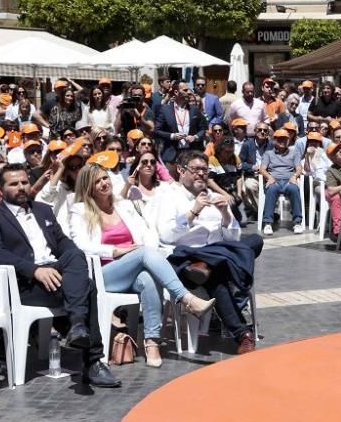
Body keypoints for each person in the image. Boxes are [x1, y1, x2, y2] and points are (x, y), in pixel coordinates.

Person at [0, 163, 121, 387]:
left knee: (74, 255)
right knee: (88, 287)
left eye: (24, 182)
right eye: (14, 184)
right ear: (0, 189)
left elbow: (63, 243)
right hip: (23, 282)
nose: (21, 187)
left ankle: (79, 327)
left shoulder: (42, 210)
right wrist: (34, 270)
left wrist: (69, 256)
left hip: (57, 273)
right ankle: (92, 360)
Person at [69, 164, 215, 367]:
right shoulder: (80, 210)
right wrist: (115, 251)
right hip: (104, 273)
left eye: (105, 178)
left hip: (134, 266)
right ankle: (186, 298)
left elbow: (148, 233)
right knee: (144, 254)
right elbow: (80, 245)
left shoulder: (123, 205)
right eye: (97, 181)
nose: (104, 183)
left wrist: (143, 249)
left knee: (147, 277)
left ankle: (152, 342)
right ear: (88, 187)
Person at [152, 150, 263, 354]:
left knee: (255, 240)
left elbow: (233, 239)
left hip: (217, 256)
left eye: (205, 170)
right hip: (187, 257)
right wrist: (193, 211)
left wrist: (224, 214)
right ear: (180, 170)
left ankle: (208, 265)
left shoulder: (214, 197)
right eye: (195, 170)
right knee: (219, 272)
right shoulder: (168, 196)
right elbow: (166, 235)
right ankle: (242, 334)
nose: (201, 174)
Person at [258, 129, 304, 235]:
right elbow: (262, 169)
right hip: (274, 180)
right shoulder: (268, 154)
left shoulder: (294, 153)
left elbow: (299, 168)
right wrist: (269, 177)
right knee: (272, 189)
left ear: (288, 140)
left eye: (285, 139)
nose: (282, 141)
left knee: (294, 189)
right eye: (279, 139)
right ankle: (268, 223)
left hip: (288, 180)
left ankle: (297, 222)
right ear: (274, 140)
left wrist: (295, 176)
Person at [154, 82, 206, 175]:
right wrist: (172, 136)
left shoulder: (194, 110)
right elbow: (156, 131)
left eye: (189, 90)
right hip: (172, 155)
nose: (189, 92)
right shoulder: (165, 110)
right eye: (185, 90)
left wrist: (195, 137)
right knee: (171, 185)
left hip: (190, 154)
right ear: (177, 92)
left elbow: (203, 129)